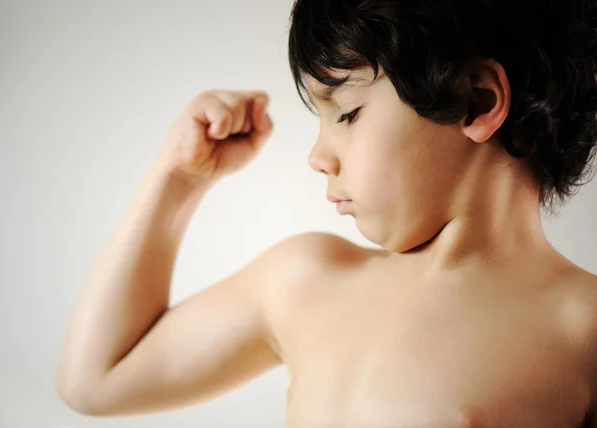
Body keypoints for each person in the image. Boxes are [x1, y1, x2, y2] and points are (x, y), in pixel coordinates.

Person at [57, 0, 597, 426]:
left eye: (347, 113)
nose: (318, 157)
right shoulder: (306, 280)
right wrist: (178, 180)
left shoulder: (581, 329)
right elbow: (96, 380)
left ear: (475, 102)